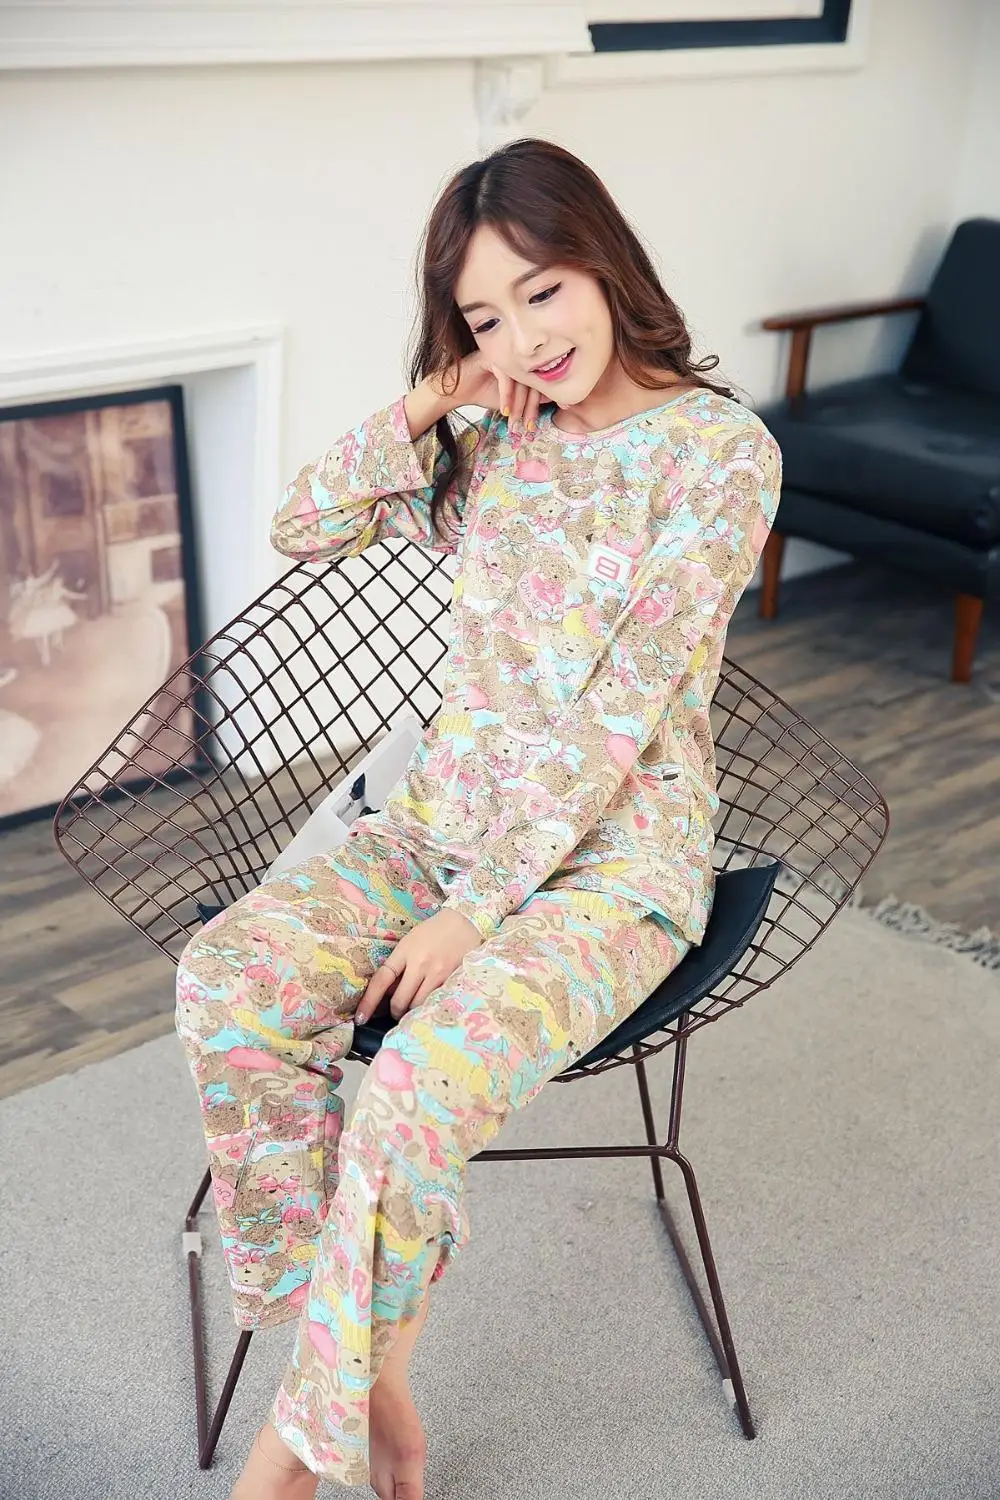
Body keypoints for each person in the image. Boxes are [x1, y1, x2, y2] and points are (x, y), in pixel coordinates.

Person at [175, 136, 781, 1500]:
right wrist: (436, 395)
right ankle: (370, 1375)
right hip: (436, 823)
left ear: (606, 264)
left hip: (613, 863)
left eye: (544, 292)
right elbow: (303, 523)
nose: (527, 339)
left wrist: (477, 912)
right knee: (228, 984)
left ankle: (285, 1460)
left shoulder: (719, 454)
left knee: (411, 1084)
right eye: (485, 316)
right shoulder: (498, 434)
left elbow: (620, 713)